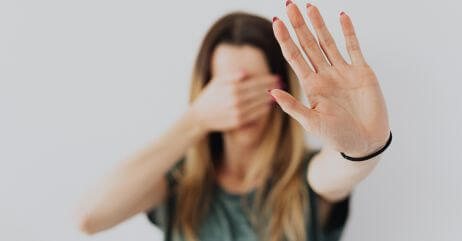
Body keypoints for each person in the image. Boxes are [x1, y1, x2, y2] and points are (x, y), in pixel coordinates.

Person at [75, 2, 391, 241]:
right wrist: (196, 119)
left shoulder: (305, 180)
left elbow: (342, 169)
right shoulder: (178, 183)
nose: (240, 103)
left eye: (255, 87)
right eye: (227, 88)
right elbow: (89, 217)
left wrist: (364, 146)